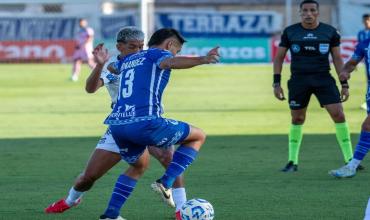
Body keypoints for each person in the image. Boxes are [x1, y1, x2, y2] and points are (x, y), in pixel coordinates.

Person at [45, 27, 187, 219]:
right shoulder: (113, 66)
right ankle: (71, 200)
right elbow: (91, 88)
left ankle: (181, 209)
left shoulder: (148, 57)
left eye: (140, 46)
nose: (137, 50)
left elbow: (169, 61)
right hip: (121, 123)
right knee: (89, 176)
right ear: (119, 46)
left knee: (169, 158)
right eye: (132, 47)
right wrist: (99, 65)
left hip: (148, 120)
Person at [98, 28, 220, 220]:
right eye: (177, 50)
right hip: (145, 122)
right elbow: (169, 62)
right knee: (198, 135)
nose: (175, 54)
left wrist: (111, 66)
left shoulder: (130, 58)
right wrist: (201, 59)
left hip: (118, 126)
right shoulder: (159, 54)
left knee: (137, 167)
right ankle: (166, 182)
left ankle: (111, 214)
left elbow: (114, 67)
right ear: (170, 44)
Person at [273, 0, 353, 172]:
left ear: (318, 12)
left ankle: (350, 159)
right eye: (305, 10)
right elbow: (279, 58)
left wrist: (344, 84)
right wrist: (276, 83)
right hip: (299, 81)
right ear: (300, 12)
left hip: (323, 79)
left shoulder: (330, 32)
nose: (308, 13)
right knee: (297, 119)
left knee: (339, 115)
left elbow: (338, 59)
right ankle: (292, 161)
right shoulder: (290, 32)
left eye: (312, 10)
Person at [329, 37, 370, 178]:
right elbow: (352, 63)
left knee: (367, 126)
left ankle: (352, 166)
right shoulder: (365, 43)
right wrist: (345, 71)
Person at [358, 14, 370, 110]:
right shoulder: (360, 33)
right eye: (365, 20)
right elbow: (359, 48)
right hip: (367, 61)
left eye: (368, 20)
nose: (366, 22)